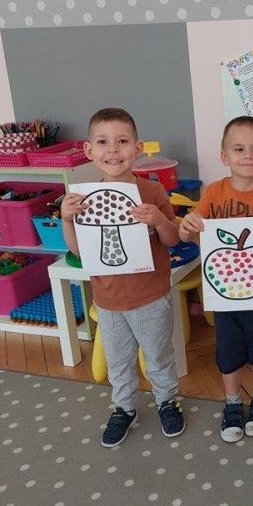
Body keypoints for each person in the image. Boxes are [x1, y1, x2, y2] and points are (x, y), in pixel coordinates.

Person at [61, 107, 185, 448]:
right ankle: (124, 408)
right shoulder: (82, 198)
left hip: (150, 295)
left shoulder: (153, 191)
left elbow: (173, 240)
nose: (113, 149)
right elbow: (79, 250)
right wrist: (67, 219)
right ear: (89, 150)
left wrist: (158, 219)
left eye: (122, 141)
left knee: (159, 356)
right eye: (102, 142)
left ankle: (167, 401)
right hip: (108, 299)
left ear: (137, 148)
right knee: (118, 362)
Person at [179, 116, 253, 442]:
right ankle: (232, 401)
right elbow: (190, 233)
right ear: (224, 155)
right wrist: (187, 226)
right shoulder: (214, 193)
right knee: (228, 349)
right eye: (239, 149)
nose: (248, 156)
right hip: (224, 294)